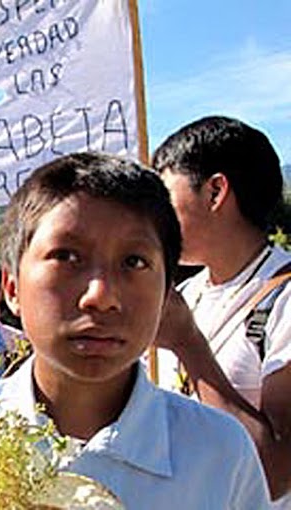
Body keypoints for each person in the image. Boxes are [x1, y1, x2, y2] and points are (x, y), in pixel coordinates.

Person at [0, 152, 271, 508]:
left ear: (168, 293)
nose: (101, 296)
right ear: (12, 287)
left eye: (134, 262)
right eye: (66, 256)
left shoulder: (219, 453)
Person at [152, 116, 291, 506]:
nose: (155, 220)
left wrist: (188, 345)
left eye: (164, 200)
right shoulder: (186, 294)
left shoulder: (284, 300)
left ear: (215, 192)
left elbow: (275, 475)